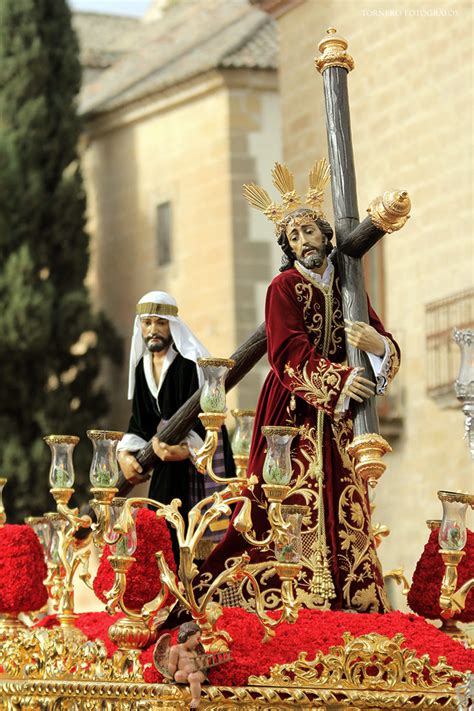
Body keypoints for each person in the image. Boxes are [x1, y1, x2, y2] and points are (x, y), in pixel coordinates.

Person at [197, 160, 400, 613]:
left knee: (347, 501)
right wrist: (344, 380)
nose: (304, 241)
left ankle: (356, 598)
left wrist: (378, 345)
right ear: (287, 248)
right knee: (290, 500)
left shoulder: (349, 285)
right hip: (292, 413)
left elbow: (380, 336)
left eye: (310, 231)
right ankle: (292, 598)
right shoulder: (283, 286)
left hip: (340, 417)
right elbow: (286, 352)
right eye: (294, 237)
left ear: (327, 236)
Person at [117, 291, 235, 561]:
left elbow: (205, 417)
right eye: (147, 323)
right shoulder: (142, 368)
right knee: (159, 523)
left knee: (194, 535)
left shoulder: (188, 363)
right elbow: (141, 423)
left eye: (160, 322)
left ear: (172, 324)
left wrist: (187, 450)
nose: (153, 330)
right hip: (166, 453)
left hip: (199, 454)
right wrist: (125, 455)